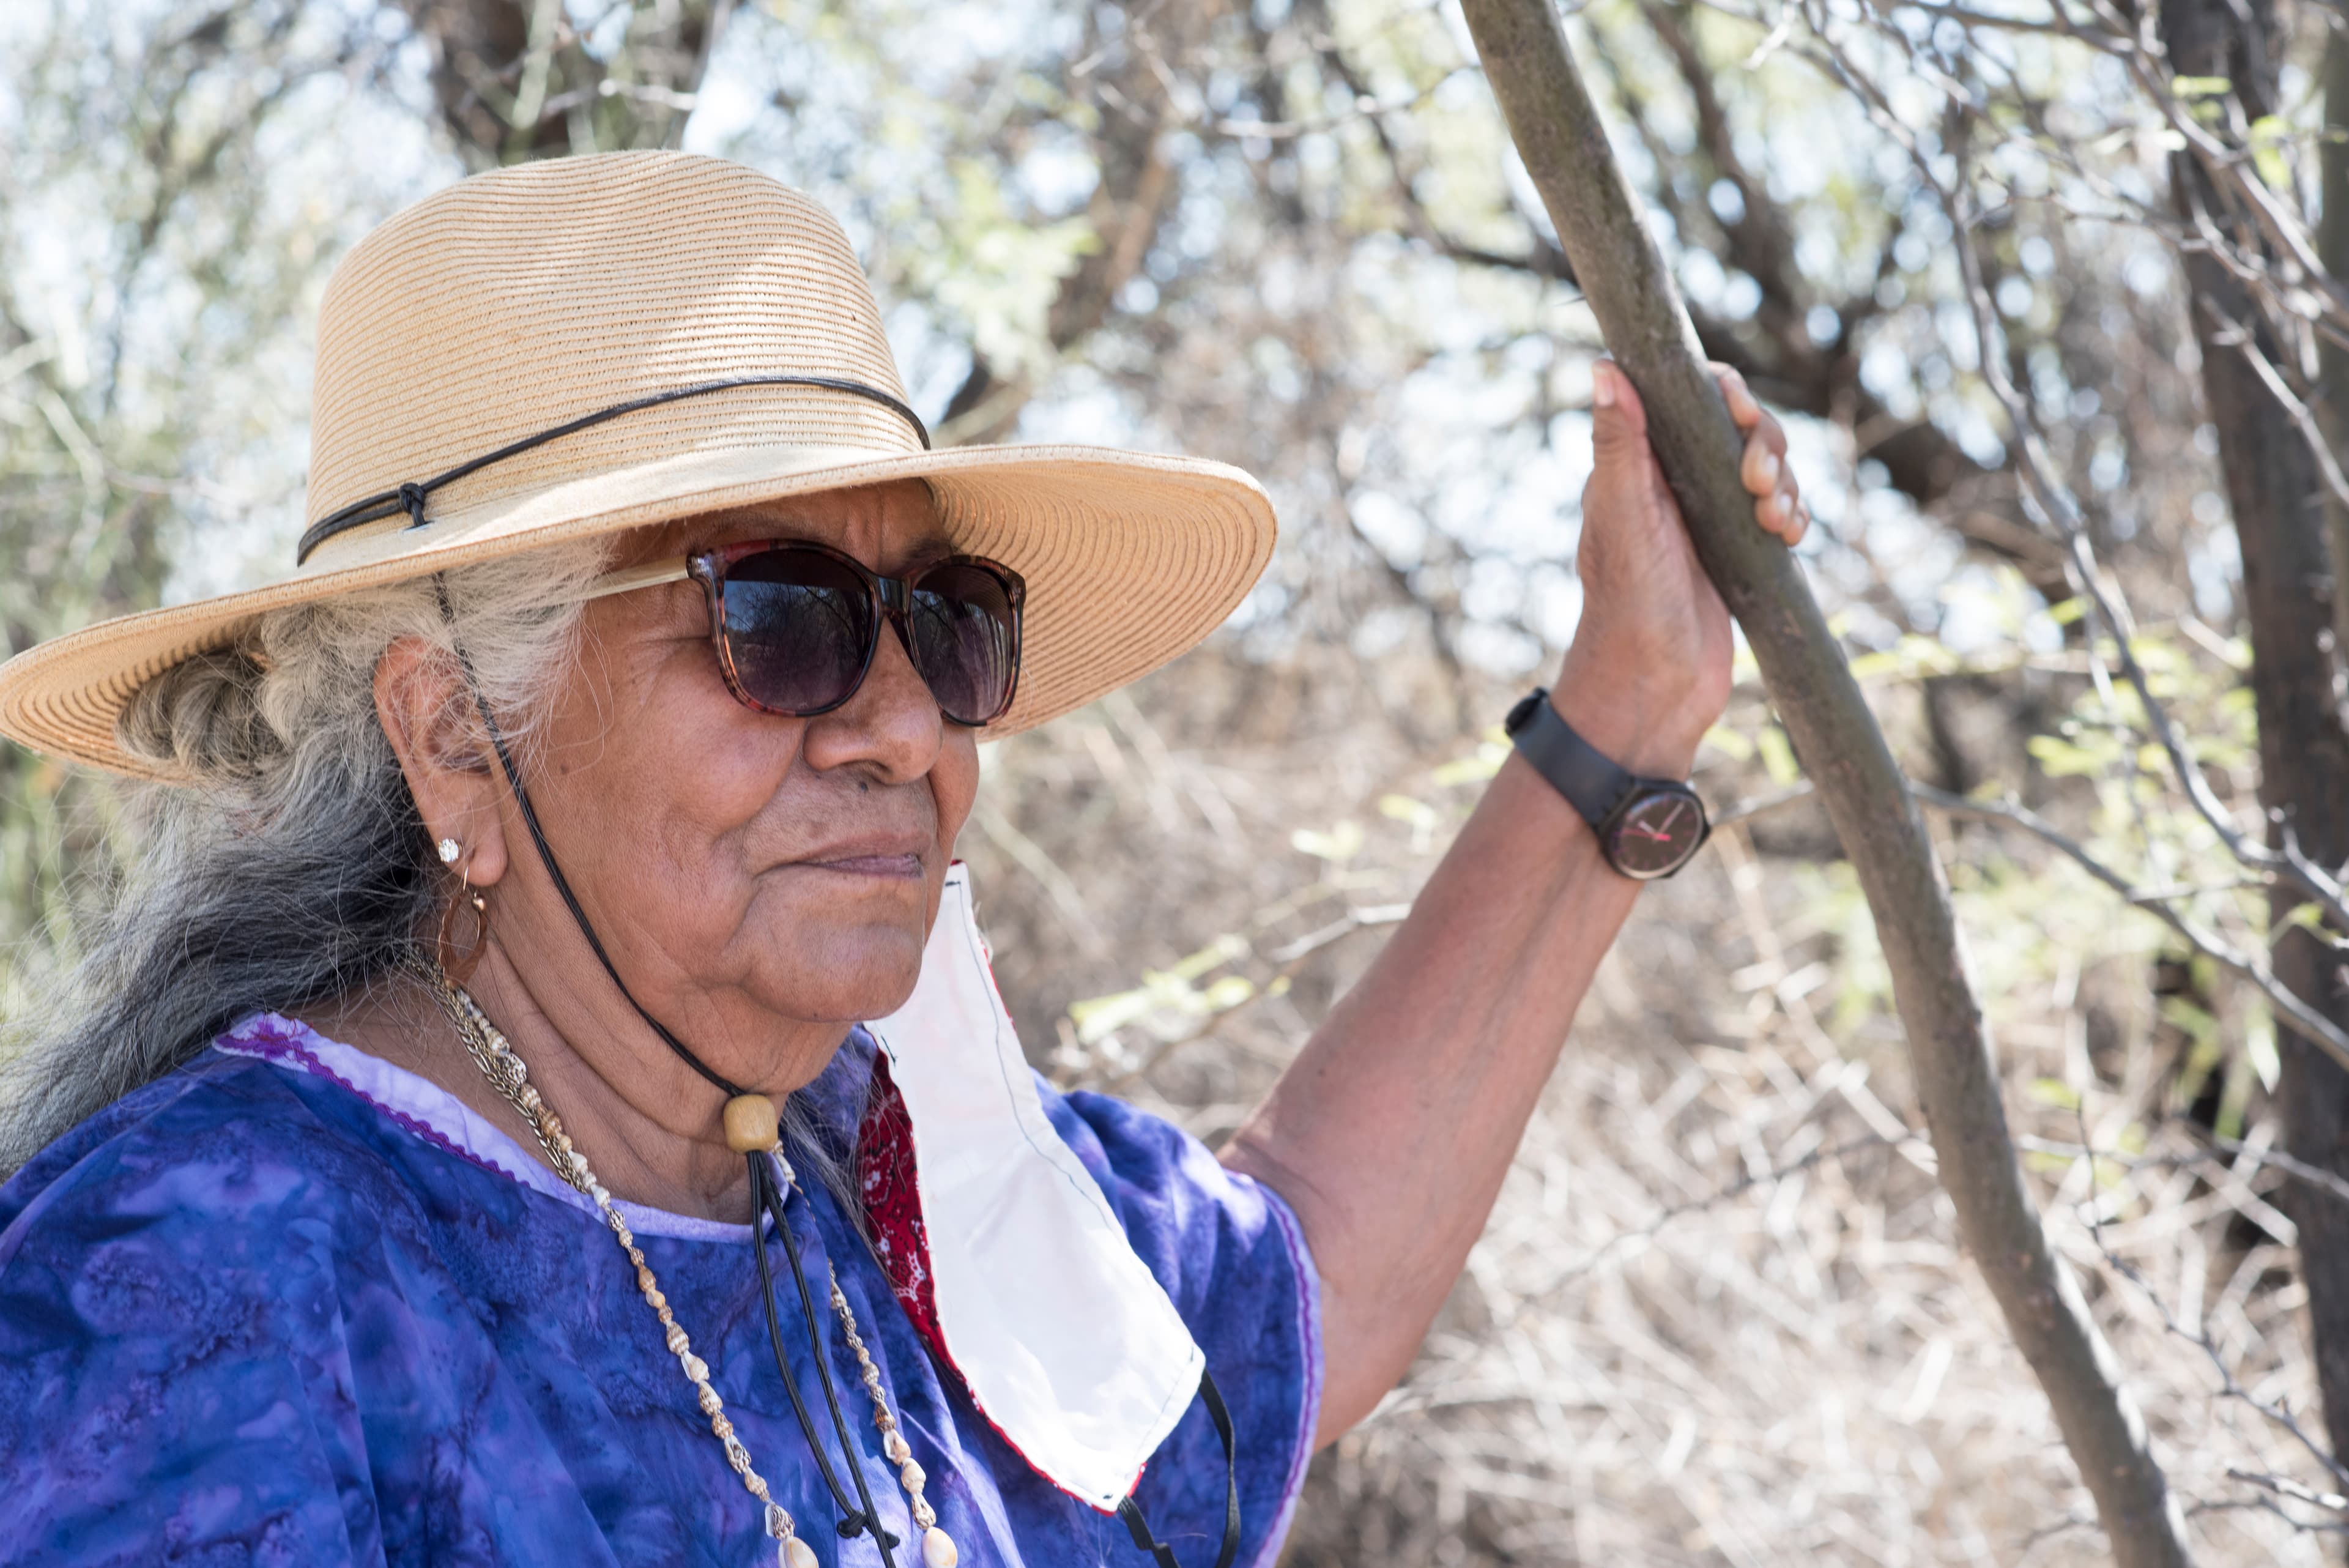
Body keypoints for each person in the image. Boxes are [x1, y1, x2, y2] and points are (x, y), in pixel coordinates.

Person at [0, 152, 1805, 1568]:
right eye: (778, 621)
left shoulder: (883, 1155)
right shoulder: (195, 1280)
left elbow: (1290, 1296)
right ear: (456, 726)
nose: (905, 727)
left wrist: (1628, 704)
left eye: (945, 625)